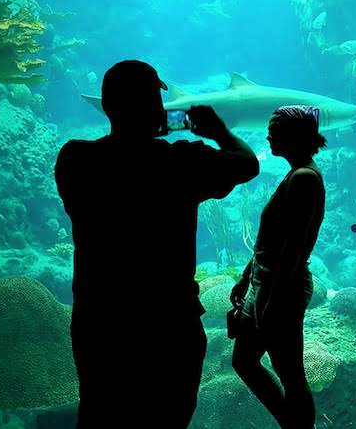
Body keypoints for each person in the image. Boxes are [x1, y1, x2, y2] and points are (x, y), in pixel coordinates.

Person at [54, 60, 259, 428]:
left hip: (100, 323)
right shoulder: (182, 161)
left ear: (107, 106)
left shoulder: (75, 159)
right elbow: (247, 164)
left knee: (99, 417)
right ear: (155, 108)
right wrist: (218, 131)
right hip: (168, 326)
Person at [230, 106, 327, 429]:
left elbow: (294, 248)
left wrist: (271, 300)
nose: (268, 135)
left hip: (281, 289)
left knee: (291, 375)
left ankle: (298, 426)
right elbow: (271, 239)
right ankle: (292, 423)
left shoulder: (304, 178)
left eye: (275, 130)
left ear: (294, 136)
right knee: (244, 360)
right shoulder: (295, 173)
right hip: (266, 285)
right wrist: (247, 278)